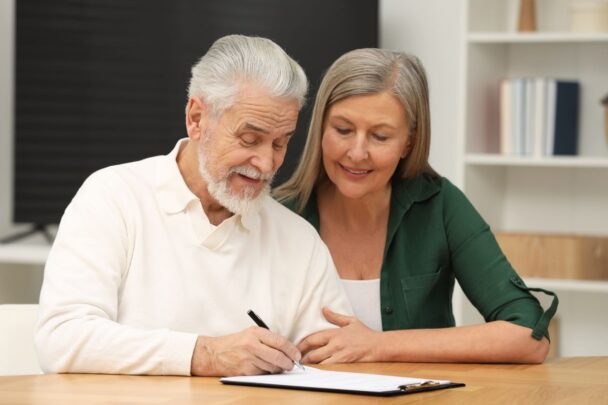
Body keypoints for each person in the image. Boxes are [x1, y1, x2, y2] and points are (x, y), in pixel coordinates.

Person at [35, 35, 352, 377]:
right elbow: (61, 340)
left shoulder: (298, 240)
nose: (265, 163)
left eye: (280, 143)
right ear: (197, 118)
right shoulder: (113, 197)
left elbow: (333, 365)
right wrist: (205, 354)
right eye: (250, 139)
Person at [274, 48, 558, 364]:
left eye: (380, 136)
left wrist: (377, 346)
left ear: (409, 141)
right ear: (321, 127)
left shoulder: (441, 205)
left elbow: (528, 335)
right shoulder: (277, 215)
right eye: (343, 130)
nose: (357, 152)